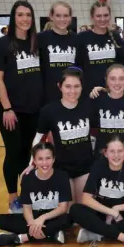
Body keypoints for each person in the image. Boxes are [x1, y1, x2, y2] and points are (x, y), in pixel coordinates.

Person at [0, 0, 43, 214]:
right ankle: (13, 198)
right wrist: (7, 108)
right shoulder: (2, 44)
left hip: (34, 109)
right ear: (13, 18)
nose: (25, 19)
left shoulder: (35, 44)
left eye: (28, 15)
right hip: (12, 110)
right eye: (20, 15)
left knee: (27, 153)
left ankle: (26, 195)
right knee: (13, 153)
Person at [24, 67, 94, 205]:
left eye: (76, 86)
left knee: (83, 211)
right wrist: (32, 163)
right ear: (59, 86)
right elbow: (38, 139)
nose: (72, 91)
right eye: (68, 86)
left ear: (82, 87)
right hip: (62, 169)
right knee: (67, 213)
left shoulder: (89, 106)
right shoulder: (49, 111)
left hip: (85, 167)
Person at [69, 136, 124, 247]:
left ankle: (97, 233)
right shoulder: (98, 167)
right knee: (75, 209)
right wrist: (110, 212)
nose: (116, 155)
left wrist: (117, 209)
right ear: (105, 153)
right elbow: (86, 198)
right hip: (102, 213)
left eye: (120, 151)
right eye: (112, 151)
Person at [0, 142, 72, 247]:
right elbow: (26, 207)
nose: (44, 163)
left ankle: (20, 238)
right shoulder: (27, 178)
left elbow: (63, 208)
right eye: (40, 159)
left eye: (48, 158)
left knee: (68, 219)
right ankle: (51, 233)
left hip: (52, 216)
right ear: (34, 161)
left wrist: (42, 218)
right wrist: (32, 223)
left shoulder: (62, 176)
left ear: (53, 159)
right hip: (34, 216)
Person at [88, 64, 124, 163]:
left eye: (121, 79)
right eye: (112, 79)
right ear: (106, 80)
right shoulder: (97, 98)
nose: (117, 83)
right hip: (102, 158)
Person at [75, 1, 123, 97]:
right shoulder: (82, 38)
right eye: (98, 16)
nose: (102, 19)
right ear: (92, 17)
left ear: (110, 16)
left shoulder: (115, 36)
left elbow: (120, 64)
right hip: (90, 93)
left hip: (112, 91)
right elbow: (78, 66)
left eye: (106, 15)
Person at [38, 1, 77, 105]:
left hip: (71, 96)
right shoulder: (40, 39)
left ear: (70, 17)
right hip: (48, 96)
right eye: (58, 15)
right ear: (51, 16)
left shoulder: (76, 39)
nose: (62, 19)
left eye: (66, 16)